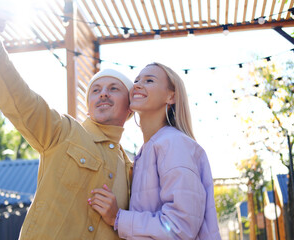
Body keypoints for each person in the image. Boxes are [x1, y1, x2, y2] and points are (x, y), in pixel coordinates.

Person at [0, 10, 133, 239]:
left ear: (129, 107)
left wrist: (118, 216)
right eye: (95, 91)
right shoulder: (63, 131)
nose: (103, 94)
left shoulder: (132, 172)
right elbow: (18, 97)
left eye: (114, 89)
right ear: (87, 107)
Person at [89, 62, 221, 239]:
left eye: (149, 80)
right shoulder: (144, 153)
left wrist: (117, 218)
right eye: (136, 80)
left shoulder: (174, 143)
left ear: (171, 97)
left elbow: (178, 227)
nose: (137, 85)